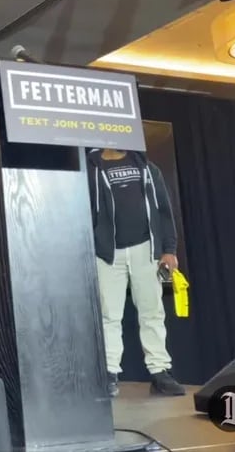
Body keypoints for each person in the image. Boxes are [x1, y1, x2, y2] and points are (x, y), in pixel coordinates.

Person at [87, 148, 185, 397]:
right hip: (108, 253)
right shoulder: (91, 168)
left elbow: (164, 210)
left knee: (152, 312)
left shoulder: (147, 168)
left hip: (146, 249)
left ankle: (160, 371)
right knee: (109, 315)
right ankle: (109, 373)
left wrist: (169, 249)